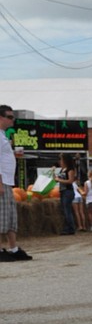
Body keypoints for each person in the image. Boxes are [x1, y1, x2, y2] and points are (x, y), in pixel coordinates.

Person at [0, 105, 31, 261]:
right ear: (1, 118)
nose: (13, 120)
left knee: (11, 217)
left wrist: (13, 155)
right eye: (10, 117)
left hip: (8, 181)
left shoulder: (3, 135)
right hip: (2, 181)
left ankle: (14, 248)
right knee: (2, 216)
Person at [56, 153, 78, 236]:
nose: (60, 161)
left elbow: (70, 181)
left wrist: (59, 180)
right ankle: (66, 227)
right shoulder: (63, 169)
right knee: (64, 210)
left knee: (67, 210)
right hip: (62, 191)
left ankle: (71, 228)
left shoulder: (70, 169)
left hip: (68, 191)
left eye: (61, 159)